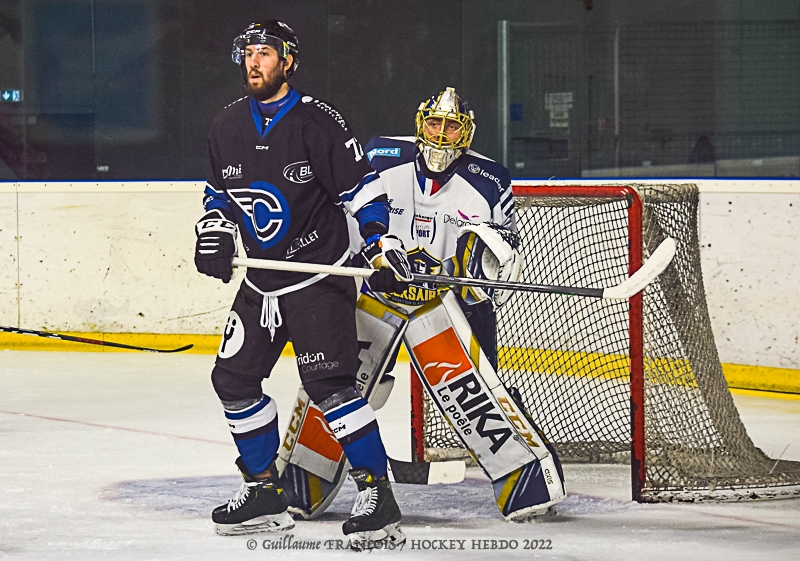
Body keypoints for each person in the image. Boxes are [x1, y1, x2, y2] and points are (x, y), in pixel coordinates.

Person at [193, 19, 411, 545]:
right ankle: (264, 490)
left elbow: (360, 191)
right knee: (233, 381)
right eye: (247, 53)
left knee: (330, 387)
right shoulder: (226, 125)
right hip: (263, 282)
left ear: (288, 61)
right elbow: (218, 195)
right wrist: (215, 231)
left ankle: (378, 495)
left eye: (265, 53)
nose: (254, 62)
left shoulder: (319, 122)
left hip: (319, 278)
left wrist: (380, 242)